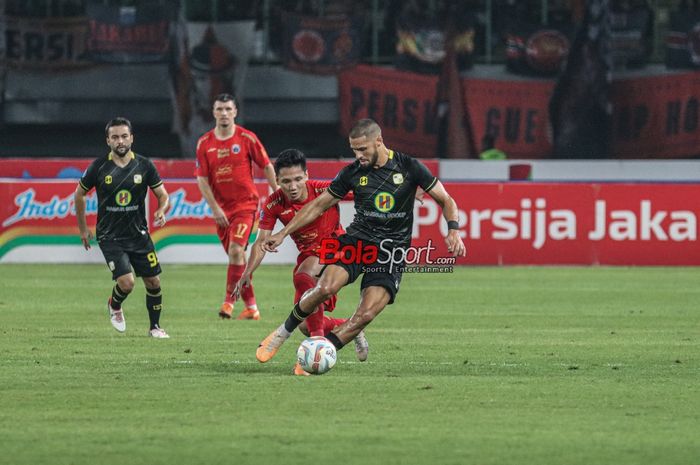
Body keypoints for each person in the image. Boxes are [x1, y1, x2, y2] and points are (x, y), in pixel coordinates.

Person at [256, 118, 466, 365]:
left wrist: (453, 230)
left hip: (391, 252)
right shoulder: (352, 172)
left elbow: (447, 200)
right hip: (356, 242)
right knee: (324, 288)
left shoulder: (410, 167)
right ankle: (283, 332)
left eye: (363, 149)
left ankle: (323, 352)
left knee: (365, 314)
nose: (358, 155)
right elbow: (319, 205)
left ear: (379, 141)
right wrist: (282, 233)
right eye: (354, 149)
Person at [235, 148, 369, 375]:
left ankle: (315, 345)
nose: (293, 186)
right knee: (305, 324)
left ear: (306, 175)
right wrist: (248, 271)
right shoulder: (273, 203)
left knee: (302, 275)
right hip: (309, 256)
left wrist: (405, 189)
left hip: (337, 250)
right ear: (277, 180)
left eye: (298, 179)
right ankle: (348, 327)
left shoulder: (323, 190)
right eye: (286, 181)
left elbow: (364, 191)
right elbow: (261, 241)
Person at [74, 117, 170, 338]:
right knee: (127, 283)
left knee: (154, 281)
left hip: (139, 235)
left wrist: (161, 209)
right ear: (108, 140)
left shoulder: (144, 165)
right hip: (110, 236)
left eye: (124, 136)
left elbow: (163, 195)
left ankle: (155, 327)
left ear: (132, 138)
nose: (120, 141)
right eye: (115, 137)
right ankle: (114, 304)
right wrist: (83, 228)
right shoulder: (99, 166)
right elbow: (79, 194)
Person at [195, 93, 278, 320]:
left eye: (228, 109)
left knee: (235, 251)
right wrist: (214, 209)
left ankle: (228, 302)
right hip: (221, 212)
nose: (223, 113)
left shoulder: (246, 138)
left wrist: (277, 192)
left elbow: (267, 165)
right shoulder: (204, 143)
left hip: (246, 206)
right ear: (213, 112)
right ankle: (252, 308)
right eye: (219, 109)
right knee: (238, 258)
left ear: (235, 112)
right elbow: (202, 179)